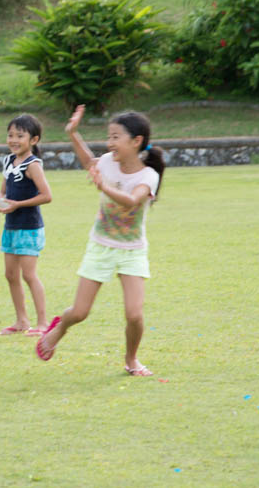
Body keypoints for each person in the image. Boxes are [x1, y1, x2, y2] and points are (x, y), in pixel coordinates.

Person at [36, 105, 165, 377]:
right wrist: (72, 133)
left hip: (132, 251)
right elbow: (89, 161)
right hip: (101, 246)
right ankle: (59, 328)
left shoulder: (148, 176)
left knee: (134, 315)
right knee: (80, 312)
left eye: (116, 137)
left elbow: (131, 202)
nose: (110, 143)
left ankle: (131, 359)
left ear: (136, 141)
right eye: (109, 137)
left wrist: (103, 186)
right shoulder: (107, 162)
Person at [0, 114, 52, 336]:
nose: (14, 140)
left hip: (29, 228)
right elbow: (3, 189)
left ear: (33, 140)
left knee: (29, 275)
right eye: (10, 135)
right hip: (11, 226)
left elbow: (47, 196)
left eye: (20, 136)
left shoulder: (33, 165)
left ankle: (43, 323)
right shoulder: (8, 161)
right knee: (10, 274)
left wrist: (17, 204)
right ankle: (21, 321)